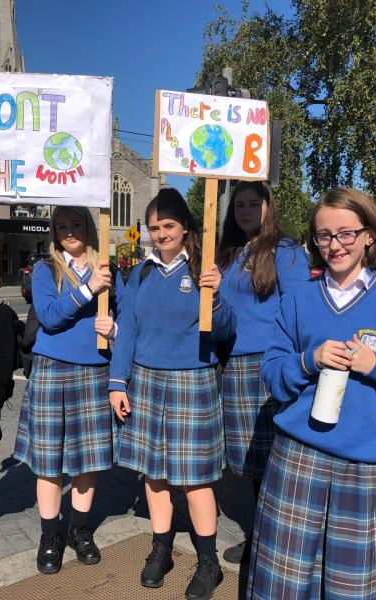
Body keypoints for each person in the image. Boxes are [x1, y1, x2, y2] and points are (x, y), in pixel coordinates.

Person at [248, 188, 376, 599]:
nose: (334, 245)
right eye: (324, 236)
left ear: (370, 234)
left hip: (364, 461)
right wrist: (308, 360)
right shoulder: (300, 299)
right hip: (298, 456)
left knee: (353, 587)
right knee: (283, 582)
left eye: (346, 233)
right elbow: (271, 373)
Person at [109, 188, 235, 600]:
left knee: (195, 481)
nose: (161, 234)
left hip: (191, 382)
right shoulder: (139, 273)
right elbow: (126, 330)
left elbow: (227, 330)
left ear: (185, 228)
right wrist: (117, 381)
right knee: (154, 473)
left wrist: (214, 298)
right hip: (146, 382)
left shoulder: (205, 269)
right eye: (155, 227)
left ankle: (208, 562)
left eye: (169, 226)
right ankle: (160, 549)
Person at [13, 206, 123, 575]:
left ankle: (78, 529)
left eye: (76, 224)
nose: (69, 231)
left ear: (89, 227)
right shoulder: (46, 270)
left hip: (94, 370)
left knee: (87, 459)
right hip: (51, 370)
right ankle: (50, 535)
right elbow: (50, 316)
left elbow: (124, 319)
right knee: (49, 460)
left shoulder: (109, 270)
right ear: (54, 231)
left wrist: (114, 330)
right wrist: (88, 288)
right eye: (62, 226)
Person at [216, 181, 309, 563]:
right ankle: (264, 535)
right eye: (239, 205)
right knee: (255, 465)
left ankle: (274, 541)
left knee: (274, 461)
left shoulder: (284, 252)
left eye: (254, 203)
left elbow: (301, 310)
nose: (246, 211)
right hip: (234, 365)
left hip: (268, 364)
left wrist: (292, 365)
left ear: (269, 207)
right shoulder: (230, 253)